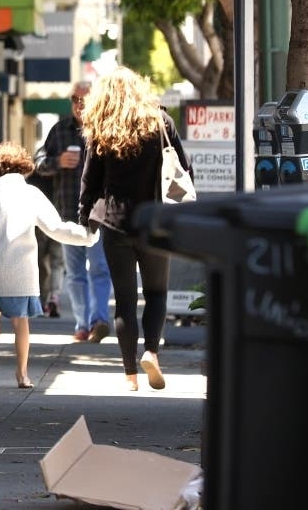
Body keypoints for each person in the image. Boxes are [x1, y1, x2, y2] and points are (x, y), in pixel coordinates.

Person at [78, 67, 191, 392]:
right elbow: (182, 167)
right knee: (156, 293)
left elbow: (90, 179)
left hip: (116, 224)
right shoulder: (161, 123)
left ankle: (130, 375)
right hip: (155, 222)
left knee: (125, 300)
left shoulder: (101, 129)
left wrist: (85, 216)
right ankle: (152, 352)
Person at [0, 142, 98, 389]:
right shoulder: (32, 194)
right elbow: (55, 228)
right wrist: (88, 235)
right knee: (21, 322)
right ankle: (22, 374)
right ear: (22, 168)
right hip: (22, 272)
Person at [35, 81, 113, 343]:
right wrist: (57, 162)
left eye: (85, 99)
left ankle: (99, 320)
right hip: (68, 213)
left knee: (100, 268)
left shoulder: (106, 129)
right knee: (75, 272)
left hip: (99, 214)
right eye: (75, 99)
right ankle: (82, 324)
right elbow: (37, 164)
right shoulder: (59, 131)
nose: (79, 105)